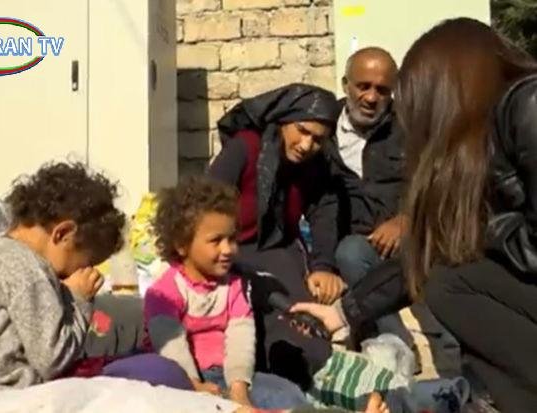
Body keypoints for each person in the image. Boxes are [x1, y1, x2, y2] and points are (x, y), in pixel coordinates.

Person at [289, 18, 537, 412]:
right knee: (442, 273)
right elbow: (428, 250)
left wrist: (477, 233)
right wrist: (343, 313)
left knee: (451, 281)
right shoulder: (483, 142)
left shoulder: (526, 104)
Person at [0, 162, 188, 392]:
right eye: (84, 264)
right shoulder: (29, 271)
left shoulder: (1, 251)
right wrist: (78, 299)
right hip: (11, 384)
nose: (78, 273)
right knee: (160, 370)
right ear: (63, 234)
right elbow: (53, 360)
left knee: (139, 362)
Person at [208, 83, 341, 389]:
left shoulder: (316, 165)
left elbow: (324, 211)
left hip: (276, 248)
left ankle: (307, 382)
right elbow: (207, 203)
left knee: (299, 319)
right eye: (301, 131)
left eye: (317, 139)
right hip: (230, 250)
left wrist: (323, 266)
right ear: (283, 121)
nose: (306, 145)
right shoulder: (246, 147)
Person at [144, 176, 307, 409]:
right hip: (182, 379)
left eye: (231, 239)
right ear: (182, 245)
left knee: (287, 393)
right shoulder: (165, 292)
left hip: (230, 376)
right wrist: (193, 386)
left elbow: (241, 338)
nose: (228, 249)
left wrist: (239, 390)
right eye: (216, 240)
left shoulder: (235, 286)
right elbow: (171, 347)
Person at [329, 47, 412, 348]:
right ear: (345, 85)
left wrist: (406, 219)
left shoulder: (411, 128)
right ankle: (397, 339)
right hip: (352, 242)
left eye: (382, 90)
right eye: (363, 86)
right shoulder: (324, 129)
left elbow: (436, 184)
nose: (371, 97)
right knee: (350, 251)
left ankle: (397, 344)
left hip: (406, 240)